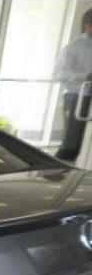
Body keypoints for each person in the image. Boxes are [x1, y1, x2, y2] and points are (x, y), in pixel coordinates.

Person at [53, 8, 92, 161]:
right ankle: (57, 176)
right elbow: (58, 74)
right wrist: (85, 76)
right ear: (87, 26)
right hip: (77, 97)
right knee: (71, 143)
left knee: (86, 144)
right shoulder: (74, 47)